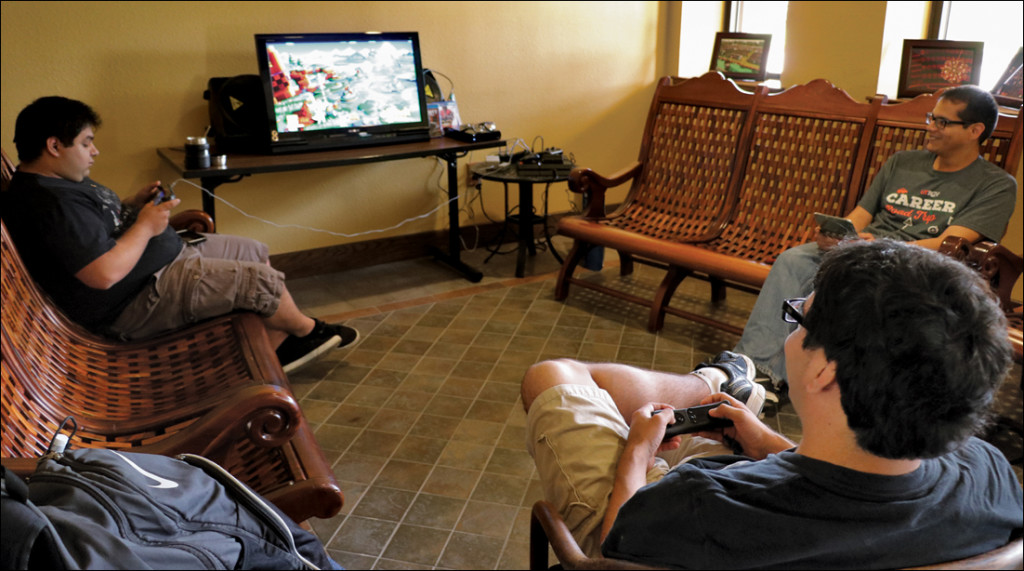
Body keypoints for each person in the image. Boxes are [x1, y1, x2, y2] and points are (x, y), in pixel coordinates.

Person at [522, 239, 1022, 569]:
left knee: (556, 376)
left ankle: (713, 380)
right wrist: (773, 448)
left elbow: (617, 551)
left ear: (826, 371)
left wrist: (636, 453)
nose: (792, 326)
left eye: (796, 316)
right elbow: (854, 500)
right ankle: (717, 386)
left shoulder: (700, 501)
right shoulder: (990, 475)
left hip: (659, 529)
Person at [2, 96, 358, 374]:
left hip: (157, 264)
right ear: (53, 146)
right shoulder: (51, 202)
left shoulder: (58, 181)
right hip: (134, 300)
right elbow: (102, 273)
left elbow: (92, 228)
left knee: (252, 251)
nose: (94, 151)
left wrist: (133, 207)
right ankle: (307, 332)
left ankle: (274, 348)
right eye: (86, 143)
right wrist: (145, 226)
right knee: (261, 281)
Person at [734, 85, 1016, 390]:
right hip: (865, 249)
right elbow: (860, 216)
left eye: (942, 122)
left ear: (975, 130)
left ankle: (770, 377)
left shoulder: (996, 185)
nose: (930, 128)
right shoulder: (902, 162)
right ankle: (750, 366)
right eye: (931, 118)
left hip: (919, 265)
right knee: (795, 260)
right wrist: (838, 235)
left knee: (834, 277)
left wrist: (877, 248)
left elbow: (948, 245)